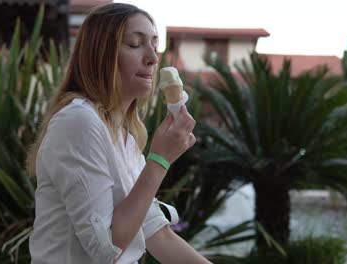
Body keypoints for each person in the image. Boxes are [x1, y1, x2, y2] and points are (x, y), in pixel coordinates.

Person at [27, 3, 212, 264]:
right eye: (135, 44)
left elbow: (156, 234)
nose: (153, 58)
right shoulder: (78, 122)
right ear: (101, 55)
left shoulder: (124, 137)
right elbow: (106, 249)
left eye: (154, 44)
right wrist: (160, 160)